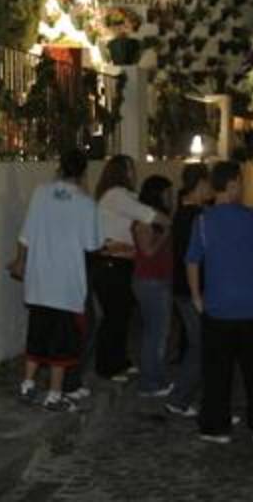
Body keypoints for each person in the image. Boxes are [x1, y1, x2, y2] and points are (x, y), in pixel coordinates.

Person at [186, 161, 253, 444]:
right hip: (251, 305)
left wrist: (195, 295)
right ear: (232, 184)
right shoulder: (251, 219)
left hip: (217, 307)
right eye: (240, 182)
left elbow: (192, 260)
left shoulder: (203, 221)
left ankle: (216, 425)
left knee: (217, 372)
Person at [10, 149, 102, 412]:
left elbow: (25, 234)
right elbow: (92, 245)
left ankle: (27, 385)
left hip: (39, 280)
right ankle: (54, 394)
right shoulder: (86, 203)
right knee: (62, 344)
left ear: (59, 167)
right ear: (84, 172)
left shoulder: (41, 193)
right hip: (67, 285)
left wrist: (20, 262)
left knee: (37, 335)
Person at [92, 155, 169, 381]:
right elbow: (150, 214)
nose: (135, 174)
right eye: (131, 169)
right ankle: (108, 366)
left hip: (120, 261)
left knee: (122, 315)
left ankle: (120, 360)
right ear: (123, 172)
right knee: (114, 316)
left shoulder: (120, 196)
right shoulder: (116, 195)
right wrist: (166, 221)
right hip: (111, 263)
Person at [166, 163, 212, 417]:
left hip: (184, 287)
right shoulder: (195, 216)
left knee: (199, 343)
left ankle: (186, 396)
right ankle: (180, 398)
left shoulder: (184, 212)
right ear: (200, 184)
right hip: (192, 289)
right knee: (201, 344)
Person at [132, 175, 176, 397]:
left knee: (157, 332)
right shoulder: (146, 220)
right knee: (156, 333)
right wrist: (166, 235)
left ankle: (155, 376)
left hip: (157, 280)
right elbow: (148, 251)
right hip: (151, 281)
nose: (171, 197)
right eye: (167, 193)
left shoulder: (156, 218)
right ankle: (150, 382)